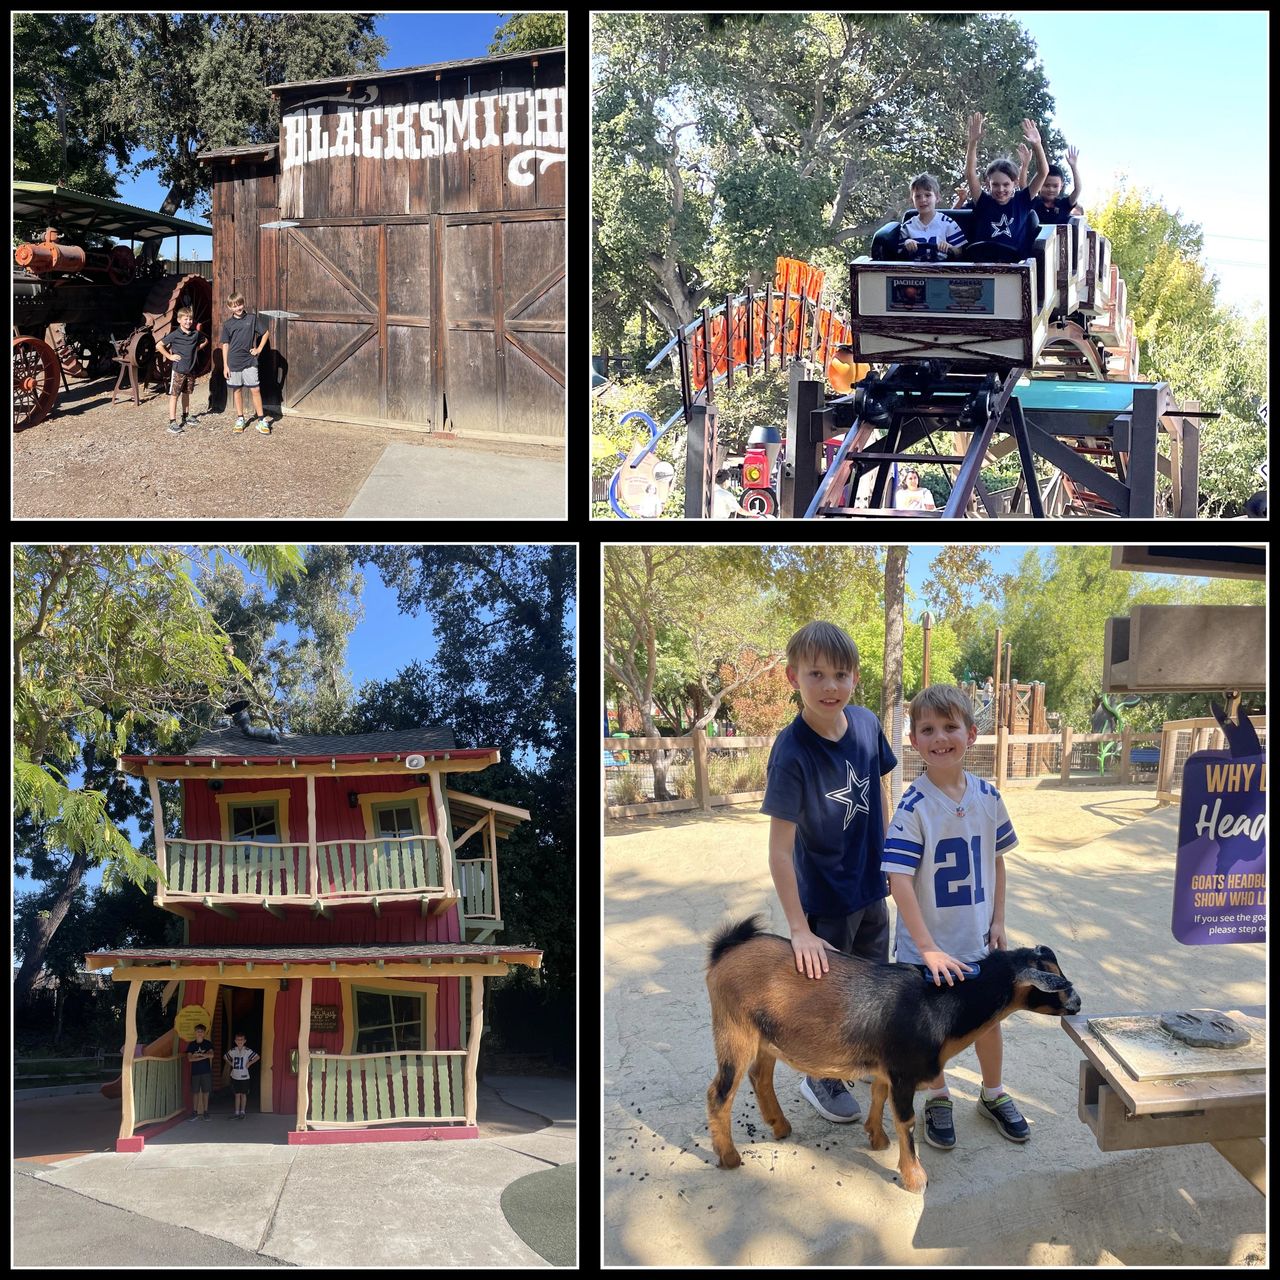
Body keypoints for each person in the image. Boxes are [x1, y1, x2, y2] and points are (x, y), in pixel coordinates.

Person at [760, 620, 898, 1123]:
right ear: (793, 677)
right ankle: (819, 1077)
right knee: (825, 997)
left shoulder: (865, 724)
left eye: (840, 674)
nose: (830, 686)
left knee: (871, 984)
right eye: (816, 674)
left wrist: (889, 857)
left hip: (870, 890)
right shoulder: (792, 753)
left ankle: (851, 1060)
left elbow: (881, 790)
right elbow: (779, 851)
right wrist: (798, 929)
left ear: (855, 678)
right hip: (823, 900)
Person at [883, 684, 1028, 1154]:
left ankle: (992, 1092)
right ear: (913, 739)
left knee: (987, 1020)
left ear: (973, 733)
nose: (940, 738)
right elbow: (899, 880)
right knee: (934, 1028)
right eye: (928, 729)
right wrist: (926, 947)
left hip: (977, 938)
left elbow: (997, 859)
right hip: (929, 948)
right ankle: (939, 1096)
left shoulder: (989, 796)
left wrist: (999, 920)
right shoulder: (913, 806)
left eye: (950, 727)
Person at [962, 113, 1048, 262]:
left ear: (1015, 183)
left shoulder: (1022, 201)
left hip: (1013, 266)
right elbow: (970, 174)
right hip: (983, 263)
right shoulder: (983, 201)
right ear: (988, 183)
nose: (1001, 189)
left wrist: (1037, 144)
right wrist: (972, 143)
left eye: (1006, 184)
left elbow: (1043, 172)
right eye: (995, 184)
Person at [218, 293, 272, 435]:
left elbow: (266, 333)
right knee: (237, 390)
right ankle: (240, 419)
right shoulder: (228, 324)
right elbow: (225, 345)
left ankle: (261, 420)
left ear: (243, 303)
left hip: (249, 361)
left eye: (240, 304)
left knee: (255, 390)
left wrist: (259, 349)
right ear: (230, 307)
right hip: (233, 362)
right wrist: (225, 365)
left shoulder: (252, 319)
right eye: (234, 306)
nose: (238, 308)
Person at [157, 306, 208, 435]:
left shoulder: (195, 334)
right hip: (178, 370)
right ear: (179, 320)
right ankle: (172, 422)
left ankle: (186, 416)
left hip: (190, 369)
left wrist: (196, 349)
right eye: (186, 319)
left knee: (186, 393)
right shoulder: (175, 335)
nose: (188, 322)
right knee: (175, 395)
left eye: (190, 319)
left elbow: (206, 340)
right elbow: (159, 345)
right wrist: (169, 356)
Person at [898, 173, 967, 261]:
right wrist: (907, 244)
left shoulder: (949, 224)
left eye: (928, 195)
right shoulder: (906, 227)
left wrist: (950, 247)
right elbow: (898, 256)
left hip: (943, 272)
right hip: (914, 272)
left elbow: (960, 253)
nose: (923, 200)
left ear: (937, 198)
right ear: (912, 200)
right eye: (918, 196)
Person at [1031, 146, 1083, 225]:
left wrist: (1074, 167)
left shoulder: (1064, 204)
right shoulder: (1033, 203)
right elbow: (1024, 188)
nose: (1051, 189)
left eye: (1055, 186)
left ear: (1061, 186)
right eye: (1047, 185)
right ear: (1039, 184)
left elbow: (1077, 190)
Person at [224, 1032, 261, 1119]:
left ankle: (242, 1112)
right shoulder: (233, 1051)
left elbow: (257, 1057)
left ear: (244, 1041)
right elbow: (225, 1057)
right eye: (238, 1040)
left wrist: (249, 1063)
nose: (240, 1041)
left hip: (244, 1076)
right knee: (237, 1094)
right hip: (235, 1075)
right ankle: (236, 1112)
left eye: (241, 1040)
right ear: (235, 1041)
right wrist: (231, 1063)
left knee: (243, 1094)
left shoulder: (247, 1051)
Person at [187, 1023, 216, 1121]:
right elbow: (190, 1059)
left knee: (205, 1092)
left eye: (201, 1032)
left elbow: (211, 1055)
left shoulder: (208, 1043)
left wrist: (197, 1055)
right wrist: (204, 1055)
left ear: (204, 1033)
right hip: (195, 1072)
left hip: (206, 1072)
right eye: (198, 1031)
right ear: (195, 1033)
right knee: (195, 1093)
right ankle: (195, 1112)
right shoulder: (192, 1044)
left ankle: (205, 1112)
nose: (199, 1033)